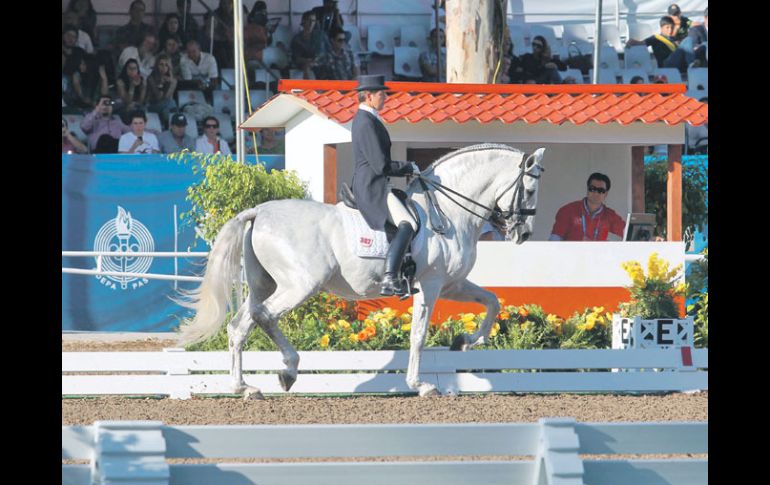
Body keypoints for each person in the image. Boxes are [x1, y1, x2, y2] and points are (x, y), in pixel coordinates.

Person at [350, 75, 420, 296]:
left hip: (376, 183)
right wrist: (407, 167)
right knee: (408, 223)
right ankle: (390, 278)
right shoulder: (365, 121)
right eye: (382, 94)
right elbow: (380, 165)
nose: (385, 98)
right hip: (371, 187)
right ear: (368, 96)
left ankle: (403, 273)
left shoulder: (369, 119)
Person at [549, 173, 625, 241]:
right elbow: (554, 242)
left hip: (598, 253)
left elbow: (627, 236)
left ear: (606, 194)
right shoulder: (567, 211)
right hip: (572, 252)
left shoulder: (611, 216)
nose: (596, 193)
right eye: (592, 189)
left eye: (601, 190)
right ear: (587, 189)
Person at [146, 54, 178, 125]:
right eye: (161, 64)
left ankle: (170, 126)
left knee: (166, 110)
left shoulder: (173, 81)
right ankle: (175, 122)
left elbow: (167, 96)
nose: (163, 67)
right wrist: (161, 83)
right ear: (157, 65)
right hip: (153, 105)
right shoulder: (151, 78)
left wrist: (170, 83)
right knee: (171, 103)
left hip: (166, 107)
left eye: (166, 65)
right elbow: (159, 97)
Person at [291, 11, 321, 79]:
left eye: (313, 21)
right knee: (306, 67)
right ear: (303, 21)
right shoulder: (297, 39)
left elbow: (328, 50)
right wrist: (309, 61)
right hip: (306, 64)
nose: (311, 23)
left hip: (321, 62)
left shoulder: (320, 35)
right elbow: (296, 58)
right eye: (309, 20)